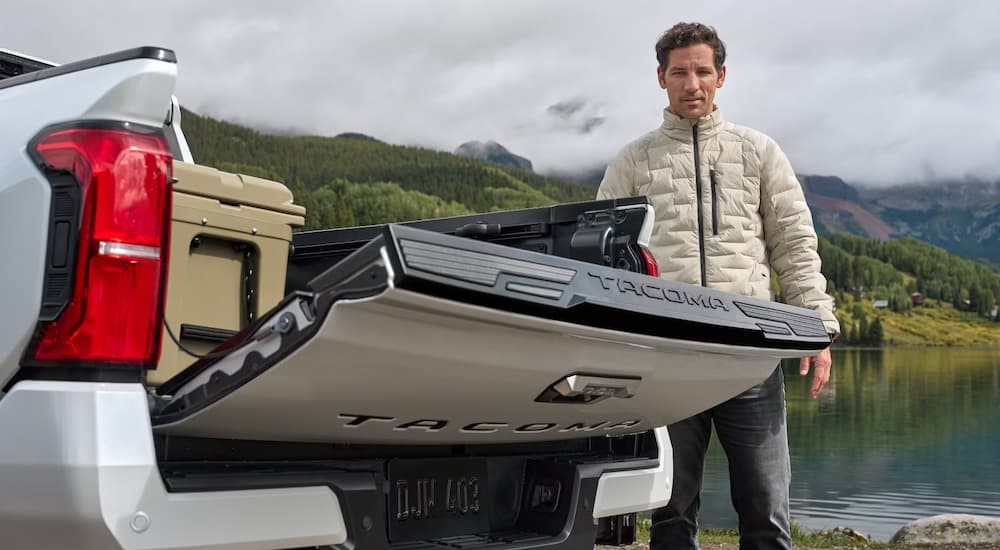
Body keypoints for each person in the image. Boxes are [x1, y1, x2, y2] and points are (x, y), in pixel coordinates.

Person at [596, 22, 841, 550]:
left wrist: (818, 328)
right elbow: (603, 260)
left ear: (722, 76)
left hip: (748, 356)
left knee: (766, 509)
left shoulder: (758, 152)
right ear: (660, 78)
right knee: (670, 513)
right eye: (679, 72)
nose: (692, 83)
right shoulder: (633, 161)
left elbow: (794, 246)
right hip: (668, 359)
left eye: (703, 71)